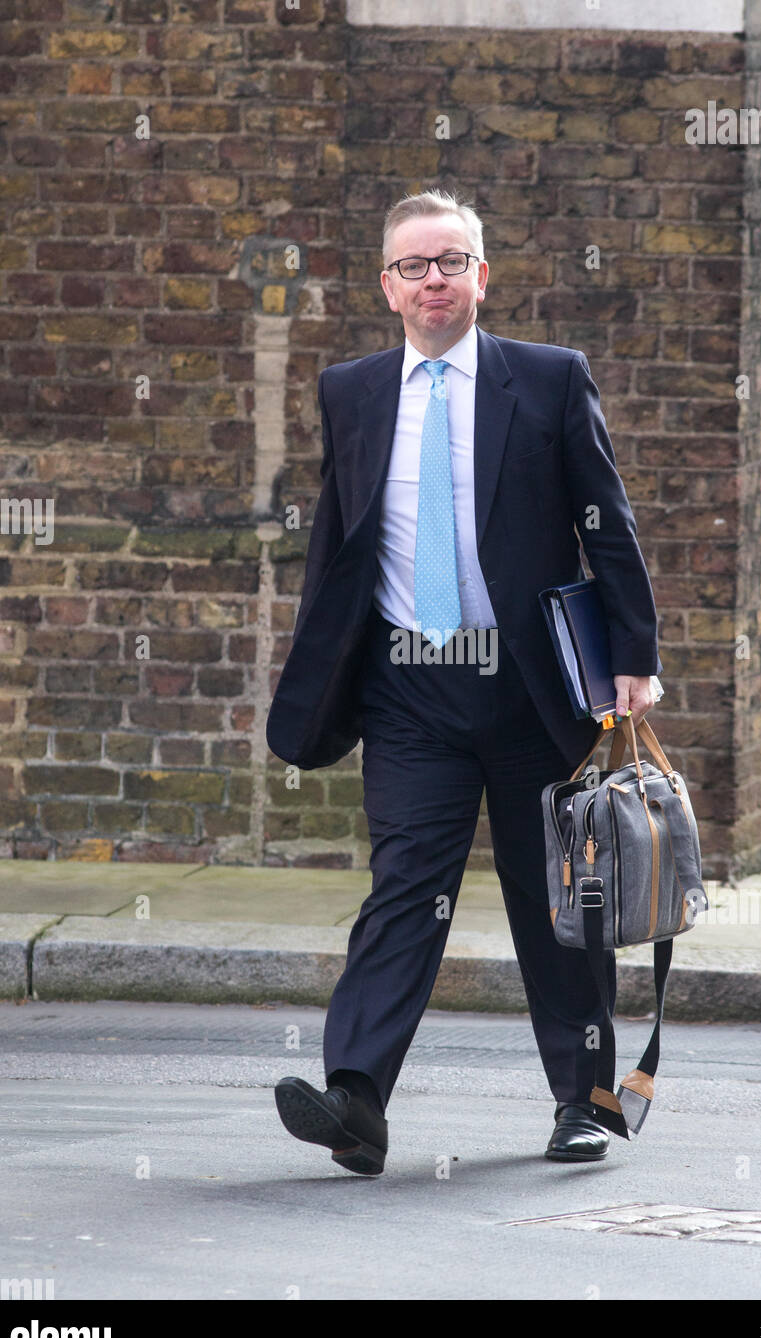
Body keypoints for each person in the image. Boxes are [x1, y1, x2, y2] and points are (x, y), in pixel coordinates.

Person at [267, 187, 658, 1176]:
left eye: (450, 261)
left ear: (481, 276)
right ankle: (355, 1097)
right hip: (410, 690)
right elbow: (339, 541)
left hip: (526, 686)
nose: (432, 279)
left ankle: (587, 1099)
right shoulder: (350, 391)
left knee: (555, 894)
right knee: (404, 887)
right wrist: (323, 671)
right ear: (386, 286)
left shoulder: (549, 381)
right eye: (412, 265)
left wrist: (633, 657)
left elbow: (604, 522)